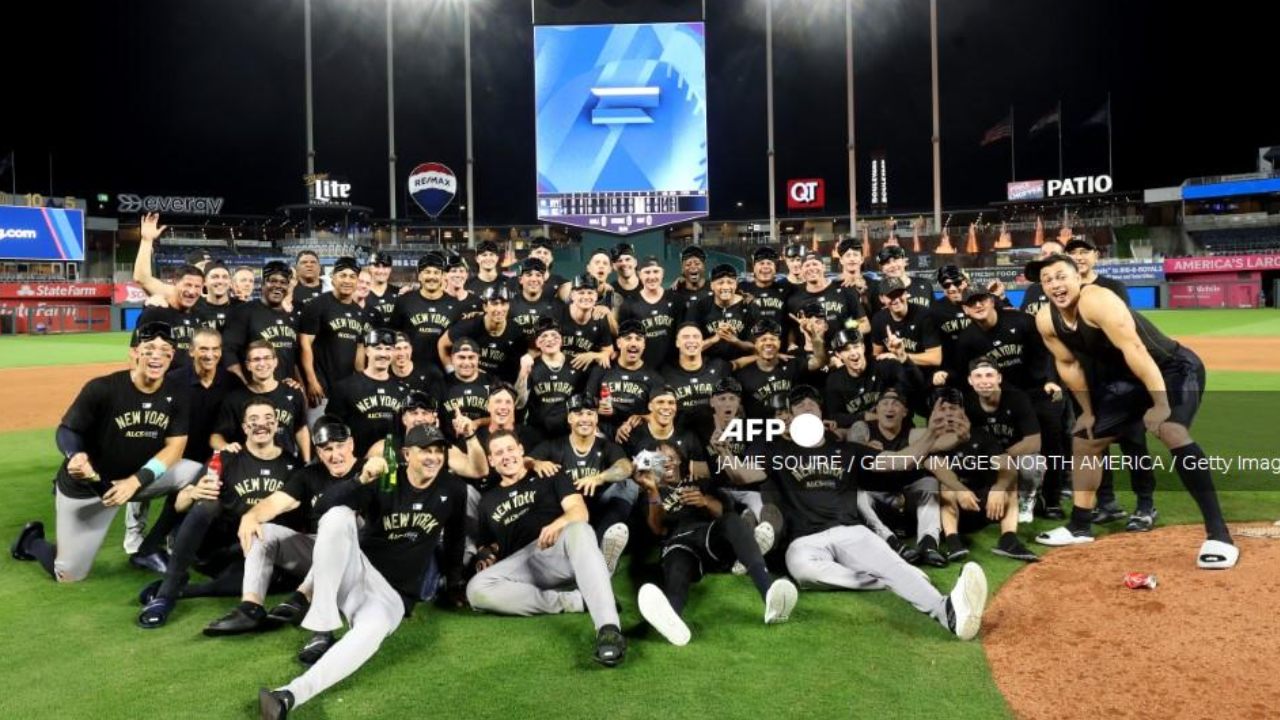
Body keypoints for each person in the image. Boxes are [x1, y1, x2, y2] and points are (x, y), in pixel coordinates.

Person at [716, 385, 989, 640]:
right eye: (799, 405)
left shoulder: (846, 450)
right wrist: (725, 452)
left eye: (812, 403)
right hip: (803, 541)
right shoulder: (776, 451)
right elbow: (741, 476)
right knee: (802, 570)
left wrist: (930, 434)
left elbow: (900, 461)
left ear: (821, 413)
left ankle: (949, 612)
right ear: (791, 416)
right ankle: (893, 577)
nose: (807, 407)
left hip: (850, 530)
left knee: (887, 563)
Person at [1027, 253, 1238, 568]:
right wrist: (1086, 411)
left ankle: (1220, 536)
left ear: (1077, 277)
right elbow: (1068, 365)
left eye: (1061, 276)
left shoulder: (1098, 301)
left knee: (1171, 430)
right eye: (1047, 280)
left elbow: (1135, 349)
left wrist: (1161, 404)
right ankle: (1080, 526)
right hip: (1129, 381)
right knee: (1085, 439)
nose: (1055, 285)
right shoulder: (1046, 319)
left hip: (1173, 369)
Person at [257, 424, 467, 720]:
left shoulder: (453, 489)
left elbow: (456, 537)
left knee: (369, 635)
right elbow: (323, 510)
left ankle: (289, 695)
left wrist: (455, 580)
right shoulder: (387, 480)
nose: (433, 457)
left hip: (393, 597)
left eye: (438, 451)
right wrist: (360, 478)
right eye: (425, 451)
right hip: (357, 571)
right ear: (407, 453)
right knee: (339, 515)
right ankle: (323, 623)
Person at [11, 322, 192, 583]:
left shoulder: (177, 394)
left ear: (172, 357)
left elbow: (175, 448)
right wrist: (74, 455)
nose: (157, 355)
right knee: (68, 574)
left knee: (200, 475)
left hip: (137, 480)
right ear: (133, 353)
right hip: (92, 486)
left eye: (165, 350)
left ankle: (148, 548)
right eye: (149, 348)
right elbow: (67, 430)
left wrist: (136, 481)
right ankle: (31, 542)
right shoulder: (103, 389)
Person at [202, 418, 382, 636]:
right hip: (317, 555)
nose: (335, 455)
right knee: (264, 531)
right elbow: (277, 502)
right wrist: (251, 517)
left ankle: (302, 596)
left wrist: (381, 465)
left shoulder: (370, 470)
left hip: (363, 560)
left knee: (345, 519)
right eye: (327, 449)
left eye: (340, 446)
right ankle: (250, 608)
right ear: (318, 451)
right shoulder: (309, 475)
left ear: (351, 444)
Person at [466, 430, 626, 667]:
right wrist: (484, 555)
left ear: (521, 451)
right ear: (491, 460)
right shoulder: (488, 500)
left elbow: (579, 512)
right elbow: (487, 544)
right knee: (476, 590)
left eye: (511, 449)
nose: (506, 456)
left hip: (558, 550)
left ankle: (609, 628)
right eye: (499, 453)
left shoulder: (550, 475)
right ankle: (574, 600)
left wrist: (558, 523)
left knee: (580, 529)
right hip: (523, 564)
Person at [137, 398, 302, 628]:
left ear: (276, 425)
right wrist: (193, 492)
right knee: (208, 505)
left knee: (277, 578)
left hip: (254, 552)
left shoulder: (292, 466)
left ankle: (187, 591)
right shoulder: (225, 458)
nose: (261, 424)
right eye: (253, 420)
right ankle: (167, 593)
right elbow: (179, 505)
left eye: (268, 419)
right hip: (217, 551)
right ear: (245, 428)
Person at [635, 442, 799, 646]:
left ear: (678, 461)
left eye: (669, 457)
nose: (665, 461)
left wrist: (705, 502)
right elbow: (657, 528)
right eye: (658, 458)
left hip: (708, 536)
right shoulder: (650, 492)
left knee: (732, 521)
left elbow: (724, 511)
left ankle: (769, 594)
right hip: (678, 542)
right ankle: (672, 619)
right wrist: (652, 492)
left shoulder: (701, 483)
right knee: (677, 563)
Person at [528, 394, 634, 572]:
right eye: (578, 414)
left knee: (629, 486)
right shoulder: (554, 446)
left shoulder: (606, 446)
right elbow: (525, 460)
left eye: (590, 413)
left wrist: (599, 477)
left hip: (599, 510)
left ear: (596, 418)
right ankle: (592, 559)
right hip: (567, 513)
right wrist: (536, 463)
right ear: (570, 418)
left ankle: (603, 549)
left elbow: (625, 467)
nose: (585, 419)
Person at [213, 340, 311, 462]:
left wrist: (306, 462)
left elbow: (301, 429)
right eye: (256, 359)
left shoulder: (293, 392)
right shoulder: (235, 398)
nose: (262, 363)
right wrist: (225, 446)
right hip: (247, 467)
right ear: (248, 365)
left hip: (286, 465)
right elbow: (215, 437)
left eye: (267, 358)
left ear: (275, 362)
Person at [299, 256, 368, 420]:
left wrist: (361, 381)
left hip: (346, 389)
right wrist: (311, 381)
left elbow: (359, 348)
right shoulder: (317, 305)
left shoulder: (359, 311)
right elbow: (304, 343)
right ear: (332, 278)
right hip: (321, 388)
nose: (347, 280)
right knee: (319, 438)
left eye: (352, 277)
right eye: (342, 275)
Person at [324, 329, 407, 457]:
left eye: (388, 349)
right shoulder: (344, 388)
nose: (383, 354)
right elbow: (332, 432)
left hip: (392, 464)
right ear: (367, 351)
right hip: (356, 464)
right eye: (378, 348)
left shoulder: (403, 390)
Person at [222, 260, 301, 384]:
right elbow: (228, 352)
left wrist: (300, 387)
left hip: (285, 392)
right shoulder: (243, 312)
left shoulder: (292, 316)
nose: (278, 286)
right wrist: (245, 384)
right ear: (263, 284)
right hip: (254, 392)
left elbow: (294, 359)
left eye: (283, 282)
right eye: (273, 281)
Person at [440, 286, 524, 382]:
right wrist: (452, 373)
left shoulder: (516, 331)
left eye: (503, 304)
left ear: (508, 306)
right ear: (485, 307)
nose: (499, 309)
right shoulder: (470, 325)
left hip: (499, 385)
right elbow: (442, 344)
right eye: (494, 304)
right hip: (470, 382)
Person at [616, 256, 685, 369]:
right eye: (647, 272)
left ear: (662, 273)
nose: (652, 276)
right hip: (641, 368)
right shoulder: (629, 304)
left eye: (656, 271)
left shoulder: (675, 299)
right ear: (639, 275)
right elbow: (623, 339)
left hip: (672, 367)